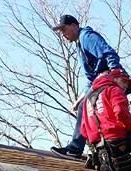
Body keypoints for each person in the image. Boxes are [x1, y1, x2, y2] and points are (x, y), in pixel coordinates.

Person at [51, 15, 124, 158]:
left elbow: (109, 52)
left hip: (108, 78)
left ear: (74, 26)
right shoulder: (80, 43)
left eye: (64, 30)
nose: (64, 35)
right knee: (101, 113)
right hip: (100, 80)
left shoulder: (87, 37)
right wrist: (81, 98)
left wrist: (115, 73)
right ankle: (114, 149)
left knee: (87, 108)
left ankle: (75, 149)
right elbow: (91, 78)